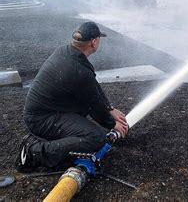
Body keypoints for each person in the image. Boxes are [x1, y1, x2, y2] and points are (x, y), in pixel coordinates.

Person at [16, 22, 128, 172]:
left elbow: (92, 87)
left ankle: (57, 142)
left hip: (45, 112)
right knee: (96, 138)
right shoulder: (78, 69)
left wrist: (109, 108)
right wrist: (113, 124)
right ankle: (34, 152)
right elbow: (93, 105)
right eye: (99, 39)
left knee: (85, 117)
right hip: (41, 120)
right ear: (94, 42)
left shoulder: (65, 52)